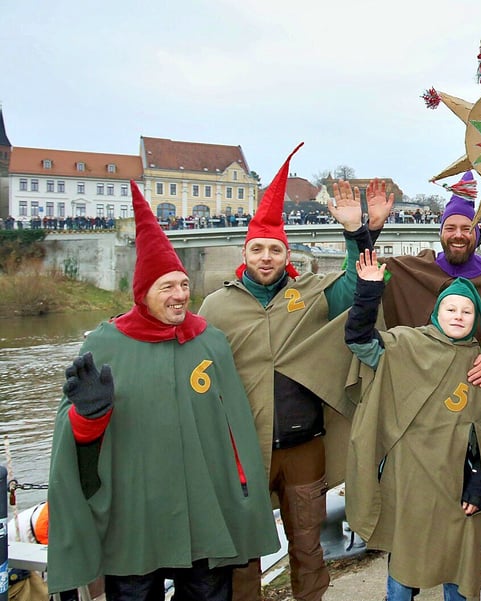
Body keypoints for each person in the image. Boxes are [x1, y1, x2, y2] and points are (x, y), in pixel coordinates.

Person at [47, 181, 279, 600]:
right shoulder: (104, 344)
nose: (180, 296)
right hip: (135, 517)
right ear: (143, 293)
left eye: (184, 285)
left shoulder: (209, 341)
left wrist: (242, 494)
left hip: (205, 511)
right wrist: (88, 417)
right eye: (167, 287)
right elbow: (72, 436)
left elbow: (235, 431)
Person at [198, 143, 392, 601]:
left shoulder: (307, 294)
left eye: (275, 250)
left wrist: (355, 235)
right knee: (244, 553)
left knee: (308, 548)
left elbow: (353, 289)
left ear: (288, 255)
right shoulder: (216, 307)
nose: (266, 257)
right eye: (258, 249)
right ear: (245, 253)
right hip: (243, 448)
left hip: (304, 445)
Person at [345, 250, 481, 601]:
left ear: (476, 318)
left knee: (461, 565)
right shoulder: (407, 344)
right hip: (412, 477)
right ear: (436, 312)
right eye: (451, 308)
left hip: (461, 481)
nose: (458, 316)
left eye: (466, 311)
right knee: (405, 563)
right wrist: (368, 292)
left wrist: (478, 481)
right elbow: (360, 342)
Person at [380, 170, 481, 386]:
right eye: (450, 228)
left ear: (477, 233)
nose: (458, 234)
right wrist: (365, 228)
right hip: (416, 388)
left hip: (470, 394)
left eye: (466, 228)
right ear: (440, 232)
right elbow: (361, 272)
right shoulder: (412, 269)